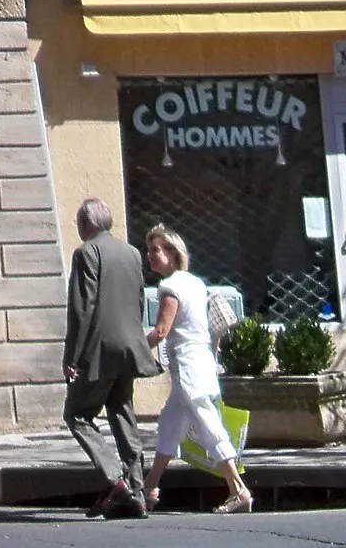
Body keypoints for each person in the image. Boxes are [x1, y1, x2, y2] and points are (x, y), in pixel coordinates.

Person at [141, 226, 254, 514]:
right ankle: (149, 488)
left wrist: (134, 349)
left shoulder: (170, 288)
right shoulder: (195, 283)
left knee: (209, 426)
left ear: (171, 253)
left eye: (155, 250)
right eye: (149, 249)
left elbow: (162, 330)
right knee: (170, 425)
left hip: (189, 369)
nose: (150, 256)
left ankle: (238, 489)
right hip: (198, 365)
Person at [62, 196, 157, 517]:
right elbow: (139, 300)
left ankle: (116, 483)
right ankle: (137, 491)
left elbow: (82, 308)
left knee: (77, 415)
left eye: (78, 222)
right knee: (121, 412)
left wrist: (72, 356)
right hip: (129, 347)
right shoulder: (131, 253)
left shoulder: (86, 252)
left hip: (99, 350)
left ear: (86, 224)